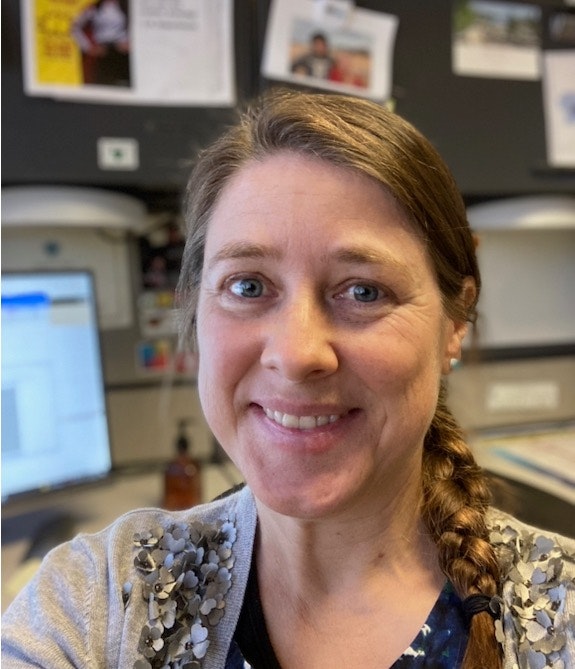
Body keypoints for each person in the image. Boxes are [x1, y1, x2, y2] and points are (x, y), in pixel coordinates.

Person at [2, 90, 574, 668]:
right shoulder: (102, 599)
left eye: (363, 291)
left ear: (454, 323)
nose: (297, 354)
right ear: (197, 310)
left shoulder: (560, 614)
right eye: (248, 286)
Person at [71, 0, 130, 87]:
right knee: (103, 84)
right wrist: (88, 47)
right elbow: (75, 27)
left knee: (124, 84)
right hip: (103, 51)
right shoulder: (95, 7)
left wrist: (130, 41)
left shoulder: (126, 6)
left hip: (122, 51)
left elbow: (137, 25)